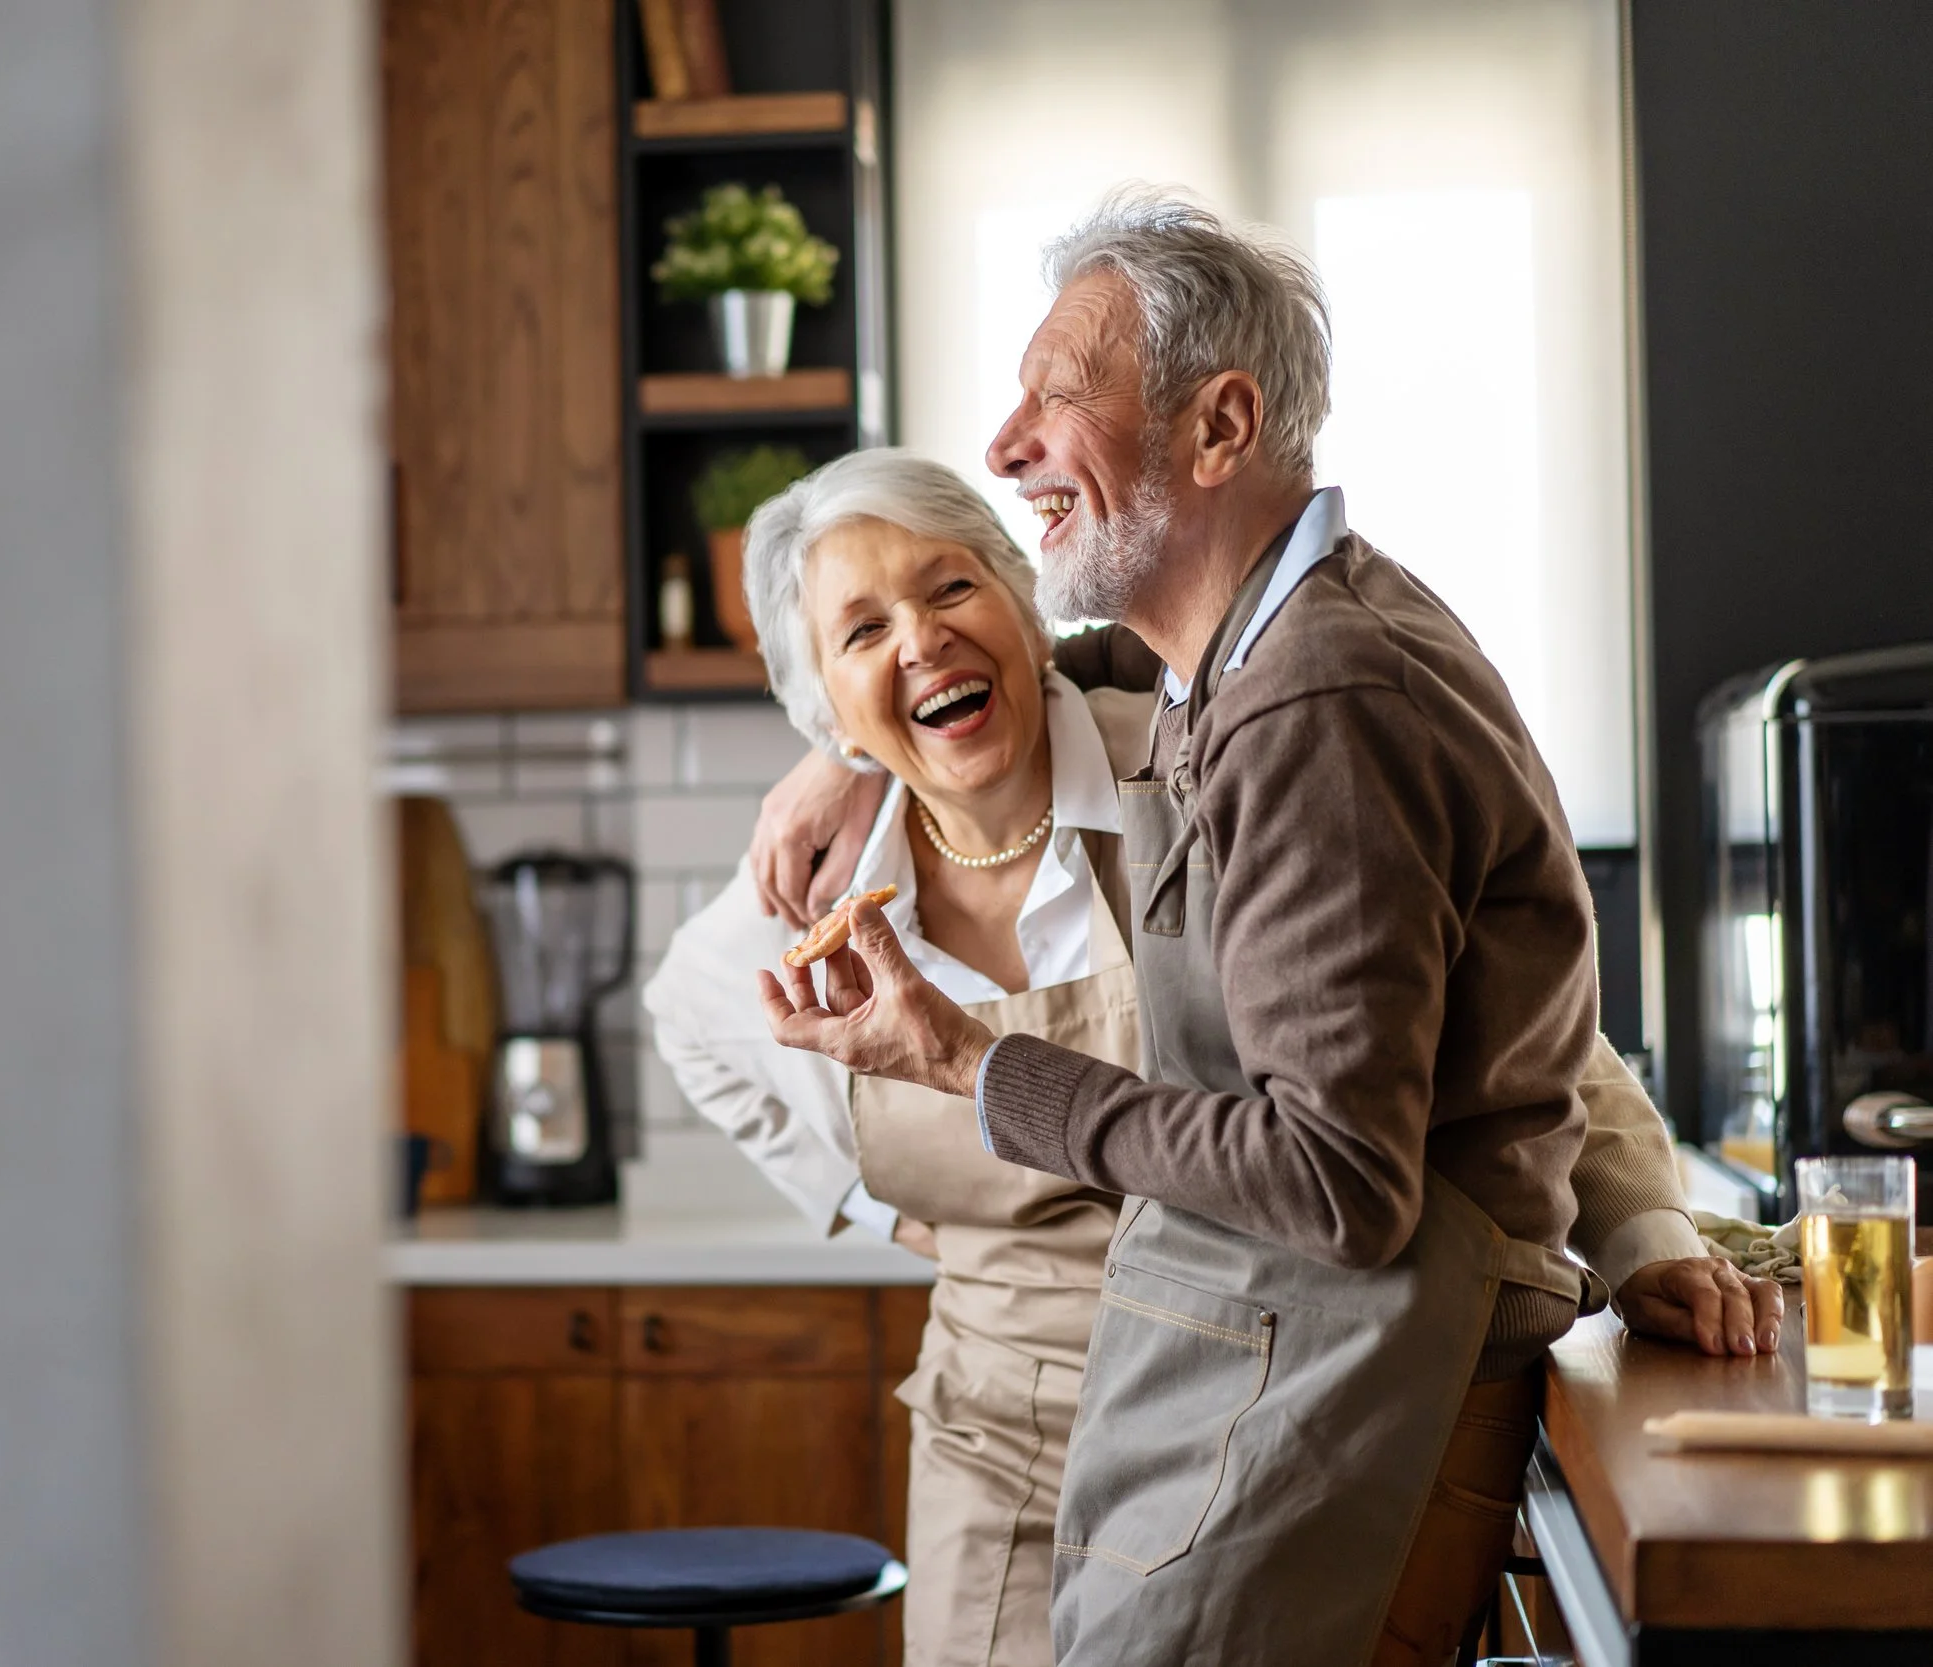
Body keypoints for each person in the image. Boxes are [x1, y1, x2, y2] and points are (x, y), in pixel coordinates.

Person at [754, 190, 1779, 1667]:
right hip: (1189, 1397)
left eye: (1057, 396)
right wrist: (849, 744)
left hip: (1323, 1390)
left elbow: (1345, 1172)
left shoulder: (1310, 701)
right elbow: (1091, 636)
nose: (1004, 441)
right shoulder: (1236, 665)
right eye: (859, 635)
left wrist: (970, 1059)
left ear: (1221, 429)